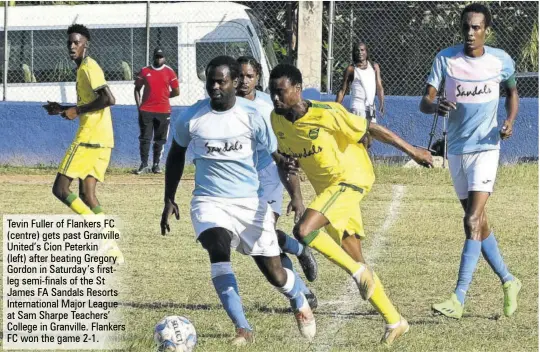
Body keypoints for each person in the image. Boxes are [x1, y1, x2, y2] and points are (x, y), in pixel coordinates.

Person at [269, 63, 433, 347]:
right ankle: (395, 320)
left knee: (304, 231)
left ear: (297, 89)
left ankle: (359, 274)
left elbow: (372, 129)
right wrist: (296, 197)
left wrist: (413, 150)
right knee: (355, 257)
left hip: (351, 179)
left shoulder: (327, 113)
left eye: (281, 92)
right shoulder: (277, 119)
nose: (275, 98)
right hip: (328, 193)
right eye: (272, 92)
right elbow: (288, 163)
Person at [160, 56, 316, 346]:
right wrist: (169, 198)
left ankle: (297, 297)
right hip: (208, 200)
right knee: (217, 245)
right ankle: (243, 328)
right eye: (211, 80)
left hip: (248, 201)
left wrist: (290, 177)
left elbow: (274, 153)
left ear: (233, 82)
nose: (215, 86)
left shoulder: (253, 115)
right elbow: (176, 154)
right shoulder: (191, 117)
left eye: (221, 81)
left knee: (275, 274)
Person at [420, 3, 521, 319]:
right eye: (466, 27)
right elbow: (425, 101)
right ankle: (509, 280)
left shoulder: (500, 61)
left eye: (476, 27)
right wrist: (436, 106)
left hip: (487, 149)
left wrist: (510, 121)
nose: (470, 32)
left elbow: (512, 92)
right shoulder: (446, 59)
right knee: (478, 223)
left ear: (486, 30)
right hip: (457, 150)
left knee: (471, 220)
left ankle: (458, 298)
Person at [42, 24, 123, 262]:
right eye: (69, 42)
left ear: (86, 44)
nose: (72, 46)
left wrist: (75, 110)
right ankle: (112, 248)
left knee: (60, 189)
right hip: (103, 139)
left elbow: (108, 99)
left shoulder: (89, 66)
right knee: (88, 195)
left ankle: (102, 236)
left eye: (77, 42)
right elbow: (91, 104)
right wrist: (63, 110)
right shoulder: (83, 69)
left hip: (89, 138)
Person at [236, 56, 318, 285]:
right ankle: (298, 250)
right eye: (240, 75)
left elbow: (287, 144)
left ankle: (300, 290)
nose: (244, 81)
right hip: (242, 180)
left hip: (269, 173)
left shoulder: (270, 104)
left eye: (249, 76)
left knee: (266, 235)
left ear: (258, 77)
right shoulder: (226, 105)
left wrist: (296, 195)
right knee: (254, 243)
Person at [134, 47, 180, 174]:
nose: (159, 59)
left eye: (161, 57)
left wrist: (164, 96)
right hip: (146, 110)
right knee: (145, 138)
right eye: (157, 56)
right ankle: (144, 164)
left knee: (160, 139)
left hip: (163, 111)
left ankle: (156, 165)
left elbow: (176, 92)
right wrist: (139, 107)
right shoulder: (144, 71)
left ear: (164, 58)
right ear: (153, 57)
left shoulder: (170, 72)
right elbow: (137, 89)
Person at [336, 41, 385, 124]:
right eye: (357, 51)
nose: (360, 53)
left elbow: (379, 86)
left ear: (366, 52)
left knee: (370, 134)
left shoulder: (374, 67)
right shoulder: (351, 69)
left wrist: (382, 103)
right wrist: (336, 107)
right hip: (357, 106)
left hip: (371, 107)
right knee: (359, 134)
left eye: (362, 50)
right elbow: (342, 90)